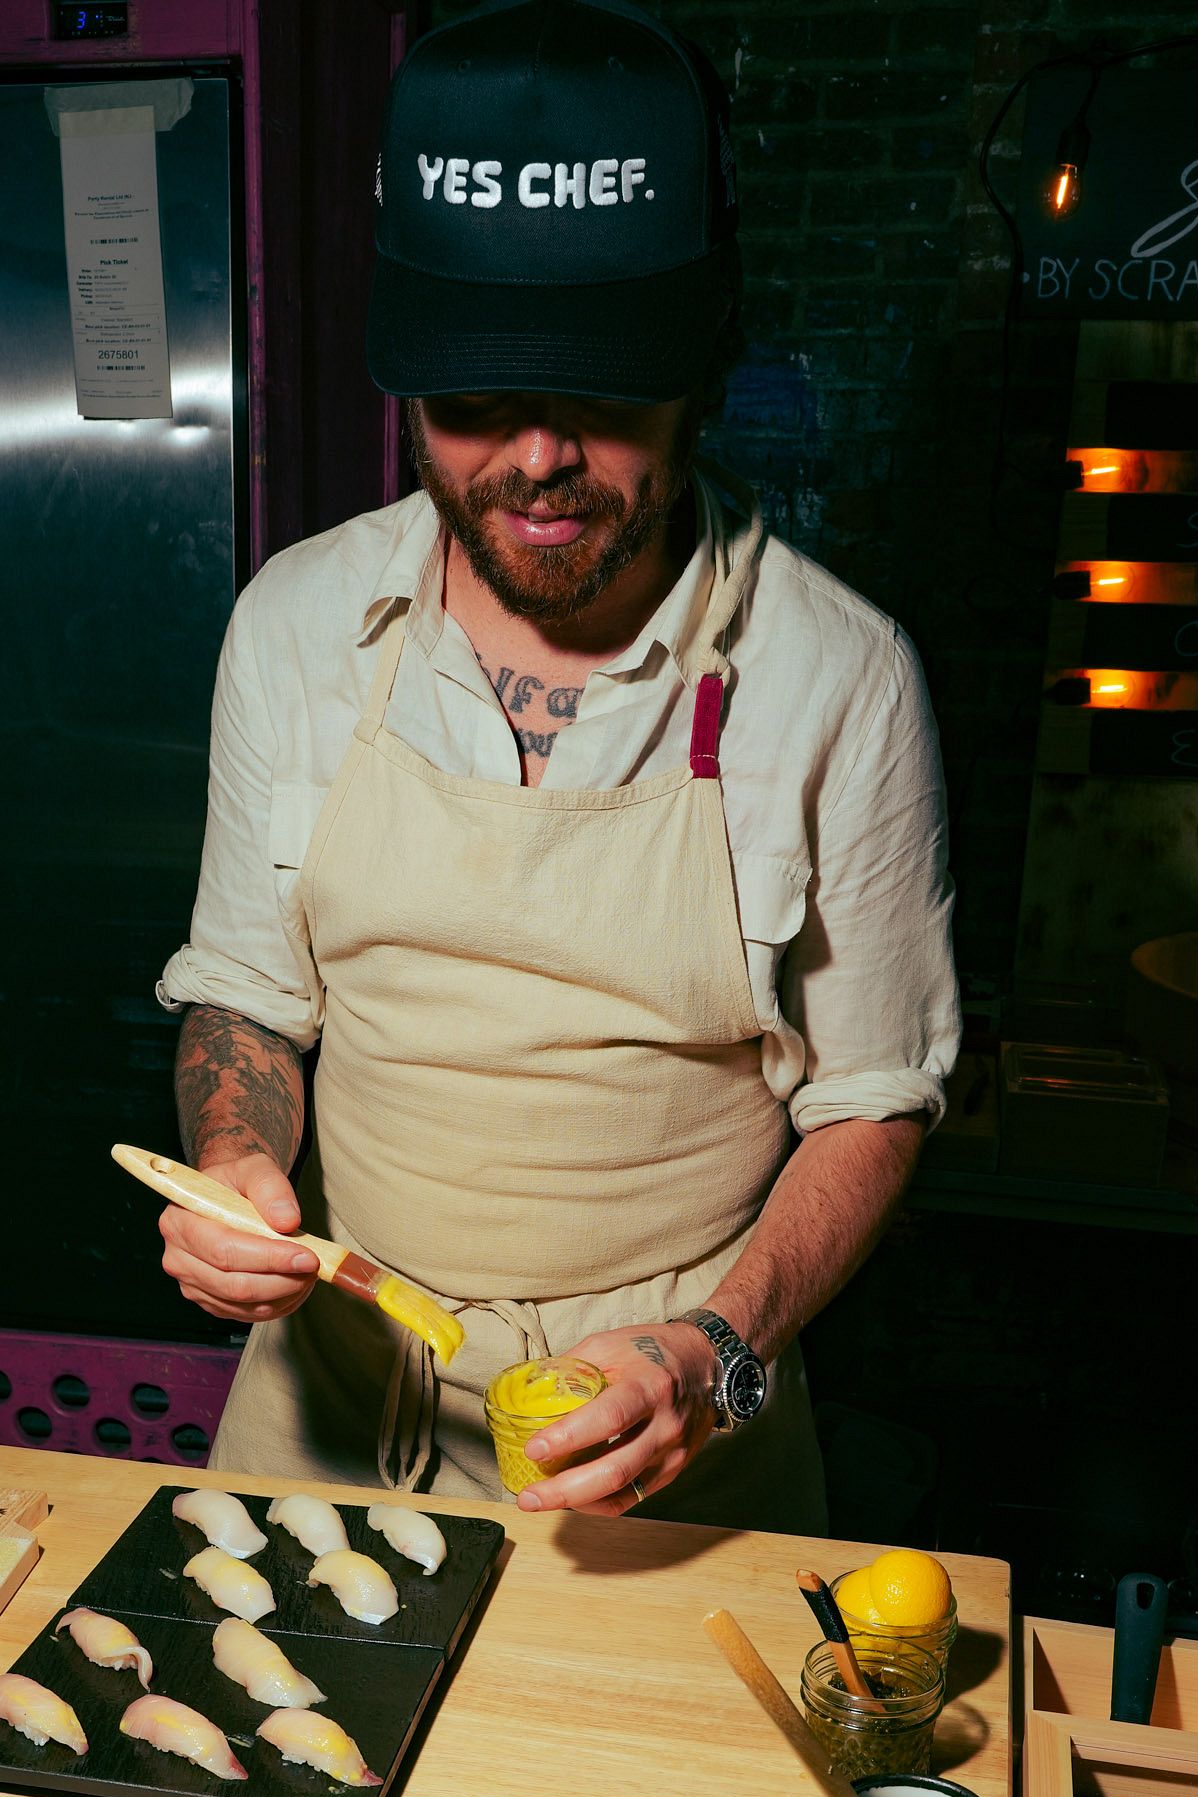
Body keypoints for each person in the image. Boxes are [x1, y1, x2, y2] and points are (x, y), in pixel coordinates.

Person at [154, 0, 959, 1534]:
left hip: (666, 1426)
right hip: (331, 1406)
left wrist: (715, 1353)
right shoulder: (296, 622)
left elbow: (871, 1099)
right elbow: (247, 993)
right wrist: (233, 1159)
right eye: (471, 398)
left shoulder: (838, 677)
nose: (535, 459)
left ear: (700, 364)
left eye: (599, 389)